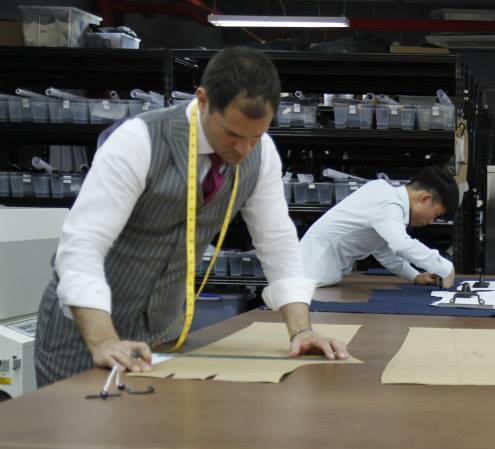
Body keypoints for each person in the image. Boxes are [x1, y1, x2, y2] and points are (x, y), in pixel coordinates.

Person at [34, 47, 348, 387]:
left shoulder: (262, 155)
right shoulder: (139, 141)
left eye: (255, 137)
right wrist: (104, 339)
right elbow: (83, 245)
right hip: (84, 337)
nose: (243, 150)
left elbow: (277, 241)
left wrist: (301, 330)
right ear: (202, 100)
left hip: (163, 339)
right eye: (232, 134)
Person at [299, 166, 459, 288]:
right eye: (435, 215)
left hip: (315, 274)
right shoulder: (388, 202)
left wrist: (414, 276)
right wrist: (445, 267)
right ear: (425, 199)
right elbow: (401, 245)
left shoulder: (383, 194)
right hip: (309, 275)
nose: (430, 221)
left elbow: (383, 250)